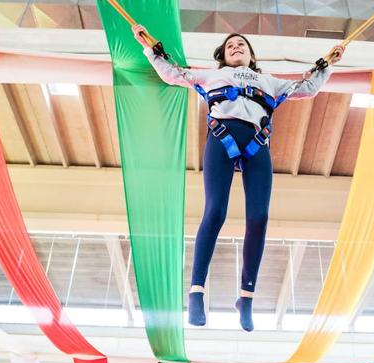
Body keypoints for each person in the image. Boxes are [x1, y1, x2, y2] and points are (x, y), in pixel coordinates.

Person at [133, 26, 344, 331]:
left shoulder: (269, 81)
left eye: (241, 44)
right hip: (222, 139)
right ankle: (196, 292)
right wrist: (149, 48)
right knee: (215, 211)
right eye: (230, 45)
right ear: (223, 56)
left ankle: (245, 298)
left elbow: (307, 87)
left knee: (259, 217)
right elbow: (171, 73)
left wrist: (328, 64)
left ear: (250, 54)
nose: (235, 46)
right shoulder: (208, 75)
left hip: (257, 144)